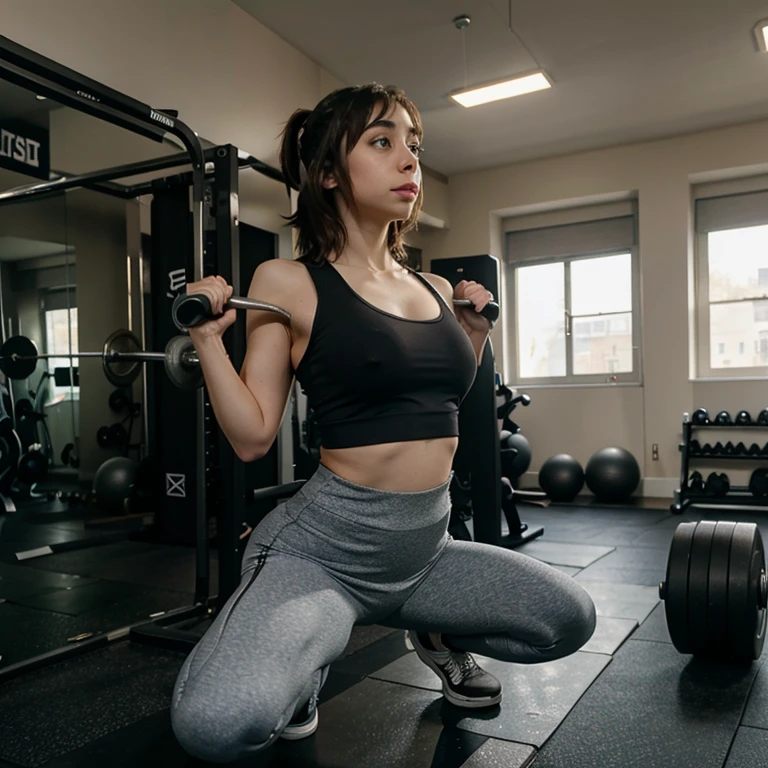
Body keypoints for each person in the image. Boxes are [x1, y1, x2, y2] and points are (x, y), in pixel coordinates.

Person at [170, 83, 596, 764]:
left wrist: (473, 334)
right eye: (383, 141)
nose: (409, 162)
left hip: (425, 550)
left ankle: (425, 627)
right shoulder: (287, 281)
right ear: (331, 173)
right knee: (219, 726)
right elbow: (252, 436)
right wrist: (210, 340)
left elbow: (442, 405)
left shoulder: (430, 289)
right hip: (326, 555)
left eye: (413, 146)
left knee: (568, 622)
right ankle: (302, 663)